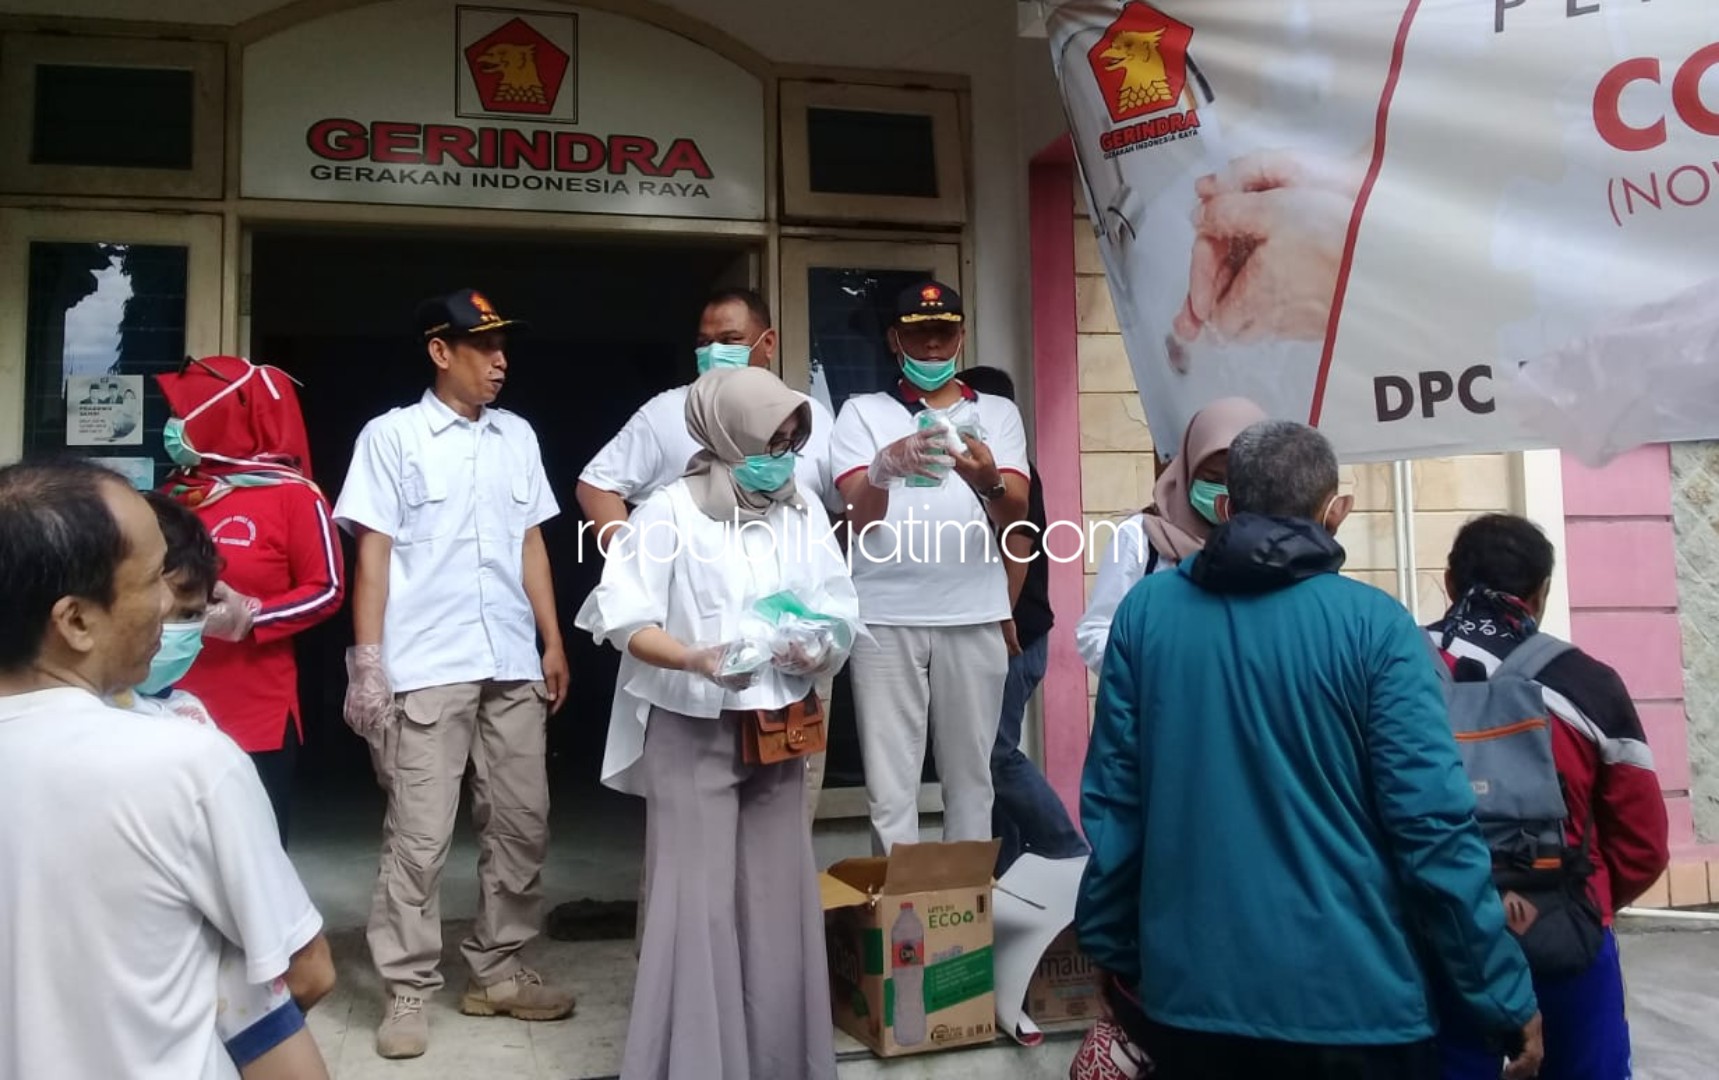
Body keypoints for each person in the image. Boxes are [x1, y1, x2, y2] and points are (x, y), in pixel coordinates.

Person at [1077, 421, 1544, 1080]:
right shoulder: (1378, 627)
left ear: (1227, 507)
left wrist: (1107, 943)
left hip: (1191, 1001)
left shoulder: (1146, 614)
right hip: (1358, 1007)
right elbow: (1433, 828)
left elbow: (1115, 806)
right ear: (1335, 511)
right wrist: (1499, 994)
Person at [0, 457, 335, 1080]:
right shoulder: (187, 764)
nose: (169, 604)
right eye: (154, 579)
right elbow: (306, 974)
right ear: (76, 620)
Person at [575, 366, 858, 1080]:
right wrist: (694, 658)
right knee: (695, 906)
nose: (783, 457)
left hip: (782, 724)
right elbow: (623, 616)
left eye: (793, 442)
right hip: (694, 725)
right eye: (771, 440)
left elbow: (838, 602)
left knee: (776, 899)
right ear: (729, 434)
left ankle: (781, 1063)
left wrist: (819, 643)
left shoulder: (801, 508)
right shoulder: (669, 511)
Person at [333, 289, 574, 1059]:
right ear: (440, 352)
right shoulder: (392, 436)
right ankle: (407, 988)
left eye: (504, 347)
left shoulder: (517, 436)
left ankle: (498, 971)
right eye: (483, 347)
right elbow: (372, 555)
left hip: (510, 660)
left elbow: (531, 543)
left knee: (522, 825)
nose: (499, 361)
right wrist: (368, 663)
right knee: (419, 838)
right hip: (427, 664)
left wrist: (551, 640)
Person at [577, 287, 846, 818]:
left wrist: (822, 632)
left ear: (768, 344)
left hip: (789, 683)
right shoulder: (670, 437)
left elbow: (838, 526)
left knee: (787, 823)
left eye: (730, 339)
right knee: (694, 840)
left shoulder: (806, 433)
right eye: (704, 342)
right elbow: (598, 487)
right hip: (698, 686)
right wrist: (641, 570)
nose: (713, 352)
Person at [1429, 514, 1669, 1080]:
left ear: (1450, 583)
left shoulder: (1394, 667)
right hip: (1565, 935)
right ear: (1541, 593)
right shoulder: (1589, 683)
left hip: (1432, 941)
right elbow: (1643, 845)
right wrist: (1587, 899)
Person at [110, 491, 333, 1080]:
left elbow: (326, 585)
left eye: (194, 615)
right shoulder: (199, 759)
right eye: (171, 609)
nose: (178, 629)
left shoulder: (186, 723)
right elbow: (308, 972)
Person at [829, 280, 1030, 852]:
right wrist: (882, 469)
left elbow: (1016, 511)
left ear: (962, 336)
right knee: (890, 787)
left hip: (973, 610)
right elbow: (858, 519)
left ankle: (965, 900)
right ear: (895, 340)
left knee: (972, 781)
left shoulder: (996, 412)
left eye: (944, 331)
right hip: (885, 615)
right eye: (919, 334)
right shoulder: (862, 413)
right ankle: (897, 904)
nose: (934, 345)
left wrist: (986, 480)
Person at [157, 354, 347, 843]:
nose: (173, 424)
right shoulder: (171, 495)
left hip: (253, 711)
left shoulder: (294, 496)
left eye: (183, 413)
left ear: (222, 417)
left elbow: (327, 589)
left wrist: (251, 616)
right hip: (165, 705)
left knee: (250, 852)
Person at [956, 364, 1088, 874]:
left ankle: (1070, 853)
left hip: (1014, 634)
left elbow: (1019, 544)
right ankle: (1004, 873)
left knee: (994, 754)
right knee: (985, 763)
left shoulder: (1012, 477)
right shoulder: (982, 473)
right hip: (1008, 630)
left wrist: (1002, 618)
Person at [1075, 396, 1266, 675]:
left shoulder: (1275, 547)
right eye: (1212, 480)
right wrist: (1160, 670)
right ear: (1187, 470)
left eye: (1238, 482)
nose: (1225, 493)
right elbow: (1096, 633)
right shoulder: (1141, 537)